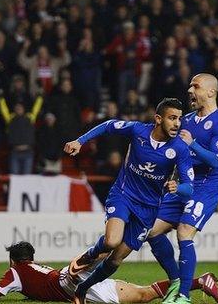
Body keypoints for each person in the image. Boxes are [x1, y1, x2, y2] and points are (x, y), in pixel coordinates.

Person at [63, 98, 194, 304]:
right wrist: (80, 141)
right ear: (158, 119)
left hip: (149, 209)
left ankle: (82, 289)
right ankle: (88, 256)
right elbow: (108, 125)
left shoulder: (180, 149)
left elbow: (189, 187)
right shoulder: (137, 130)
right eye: (172, 118)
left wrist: (178, 187)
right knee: (111, 241)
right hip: (124, 194)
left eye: (179, 119)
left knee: (116, 258)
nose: (177, 123)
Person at [145, 73, 218, 304]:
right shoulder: (188, 120)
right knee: (151, 231)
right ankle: (176, 281)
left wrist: (192, 143)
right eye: (190, 86)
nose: (190, 90)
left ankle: (183, 297)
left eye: (196, 86)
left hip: (206, 187)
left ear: (211, 92)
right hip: (184, 183)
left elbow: (216, 161)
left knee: (184, 230)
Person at [0, 241, 218, 304]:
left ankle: (111, 245)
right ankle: (200, 282)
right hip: (75, 281)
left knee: (87, 261)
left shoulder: (15, 272)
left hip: (68, 282)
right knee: (146, 295)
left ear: (13, 259)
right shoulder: (33, 268)